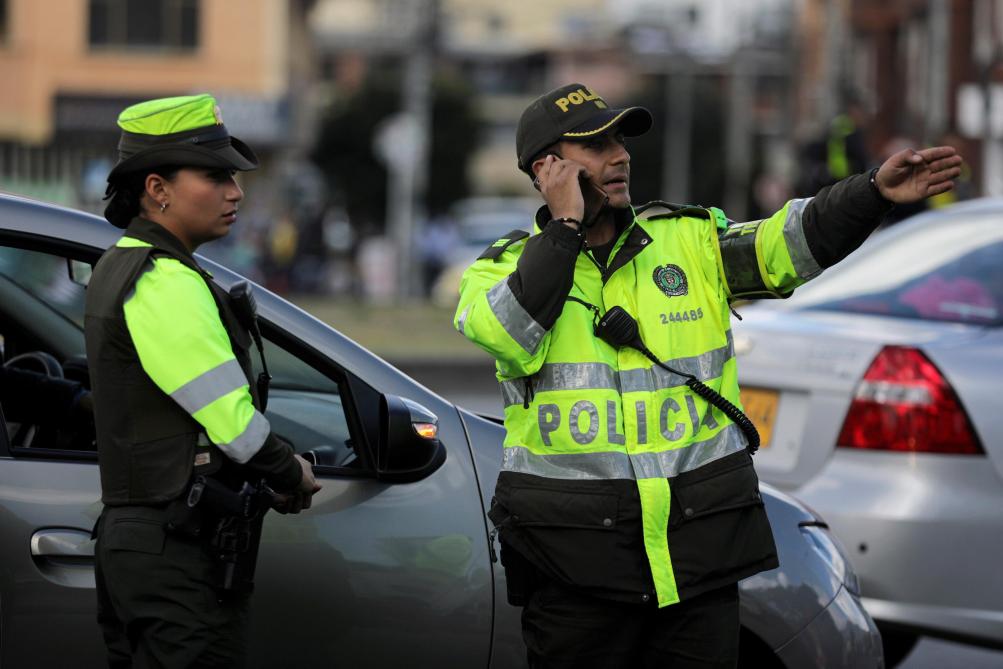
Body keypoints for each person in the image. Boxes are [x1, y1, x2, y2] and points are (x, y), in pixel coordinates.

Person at [454, 82, 961, 668]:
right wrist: (565, 229)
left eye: (620, 139)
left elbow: (785, 245)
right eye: (596, 145)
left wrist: (872, 194)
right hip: (574, 572)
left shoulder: (689, 240)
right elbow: (506, 329)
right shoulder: (502, 268)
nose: (619, 155)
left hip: (697, 564)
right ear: (548, 169)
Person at [85, 94, 321, 668]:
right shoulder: (164, 279)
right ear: (157, 189)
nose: (235, 191)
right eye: (215, 176)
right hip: (172, 551)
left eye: (233, 178)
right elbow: (231, 422)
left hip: (153, 544)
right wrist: (292, 472)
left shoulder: (128, 262)